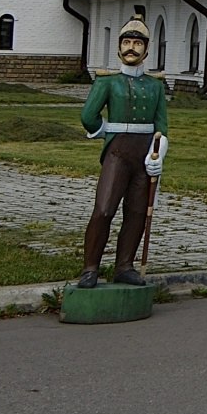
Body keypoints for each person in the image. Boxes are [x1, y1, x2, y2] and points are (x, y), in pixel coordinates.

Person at [77, 16, 168, 288]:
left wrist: (158, 155)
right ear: (119, 47)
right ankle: (90, 267)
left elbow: (161, 125)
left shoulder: (155, 85)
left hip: (144, 154)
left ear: (147, 49)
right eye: (127, 42)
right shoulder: (107, 82)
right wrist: (105, 130)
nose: (132, 48)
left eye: (137, 43)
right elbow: (88, 115)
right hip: (117, 152)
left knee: (137, 211)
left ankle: (124, 266)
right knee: (104, 209)